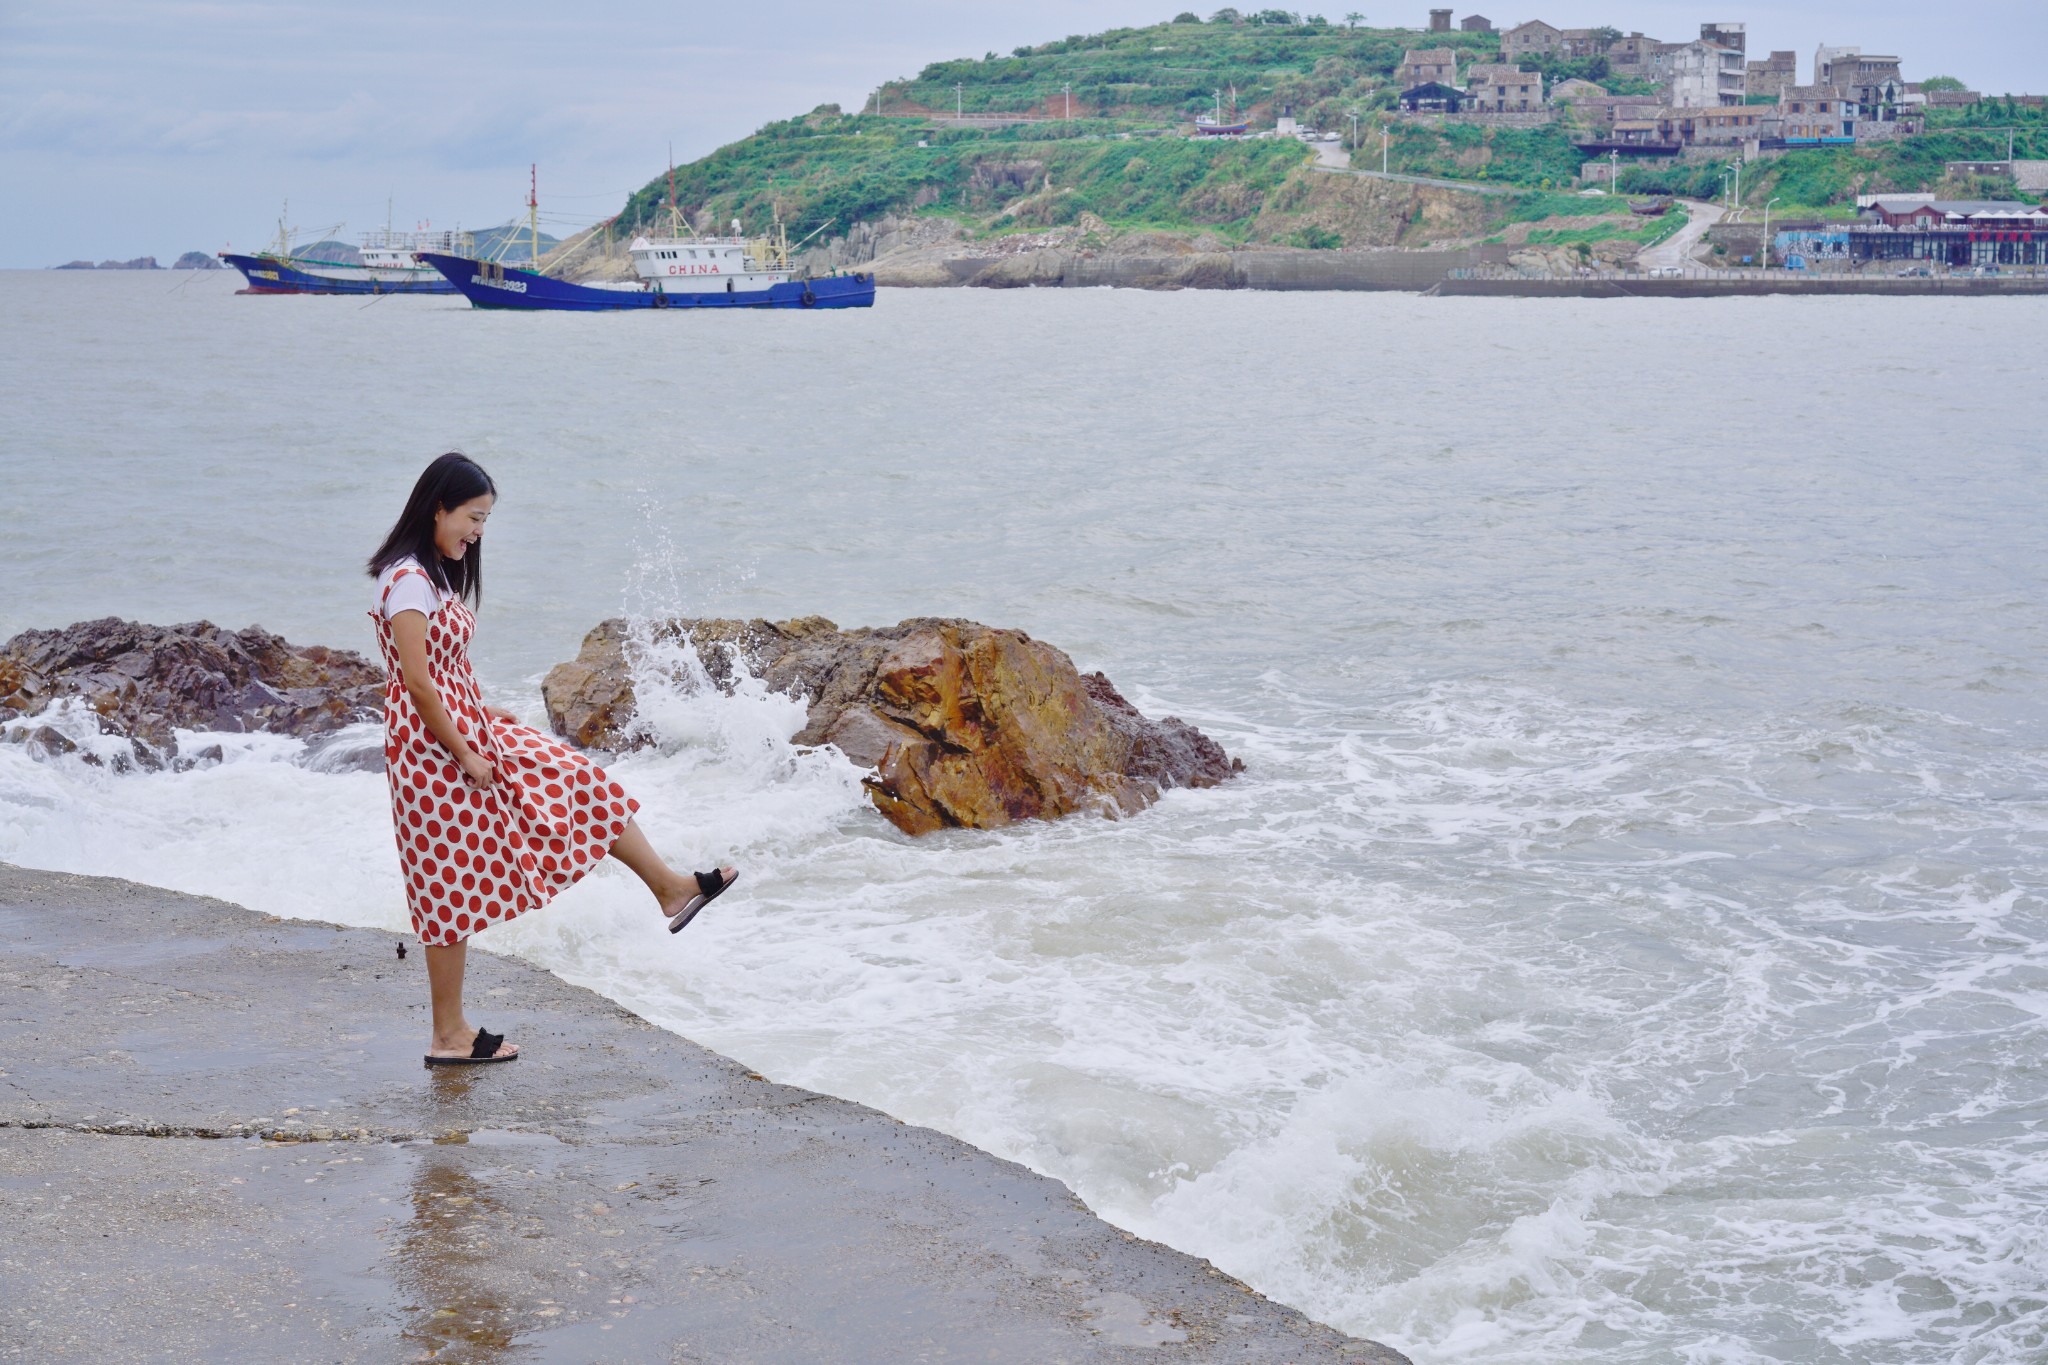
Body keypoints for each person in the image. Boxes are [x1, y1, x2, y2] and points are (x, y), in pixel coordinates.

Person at [367, 452, 737, 1066]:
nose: (478, 532)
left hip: (465, 730)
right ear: (438, 507)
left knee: (577, 779)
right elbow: (417, 684)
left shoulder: (428, 575)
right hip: (432, 750)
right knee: (443, 887)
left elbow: (447, 671)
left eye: (485, 521)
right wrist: (466, 751)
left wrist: (486, 717)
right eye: (473, 517)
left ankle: (670, 888)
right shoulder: (408, 581)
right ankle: (448, 1035)